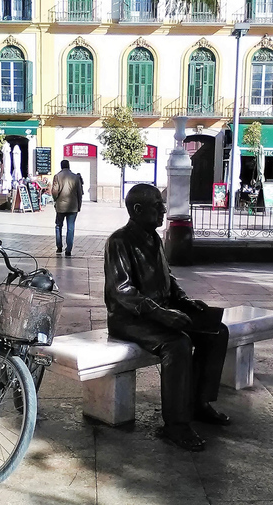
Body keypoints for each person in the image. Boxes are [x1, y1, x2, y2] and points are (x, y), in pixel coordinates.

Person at [104, 184, 230, 452]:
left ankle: (199, 403)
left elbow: (168, 278)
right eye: (157, 206)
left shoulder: (154, 238)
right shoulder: (119, 242)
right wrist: (160, 313)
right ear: (138, 210)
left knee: (216, 331)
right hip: (130, 318)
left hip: (161, 310)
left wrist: (184, 301)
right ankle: (176, 424)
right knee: (177, 344)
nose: (163, 210)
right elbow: (122, 291)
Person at [51, 159, 83, 257]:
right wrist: (79, 205)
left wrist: (55, 200)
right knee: (70, 228)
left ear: (61, 166)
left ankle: (59, 246)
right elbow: (79, 193)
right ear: (69, 166)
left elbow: (55, 192)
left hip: (61, 206)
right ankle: (68, 249)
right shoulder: (76, 177)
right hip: (73, 206)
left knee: (58, 225)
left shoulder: (57, 176)